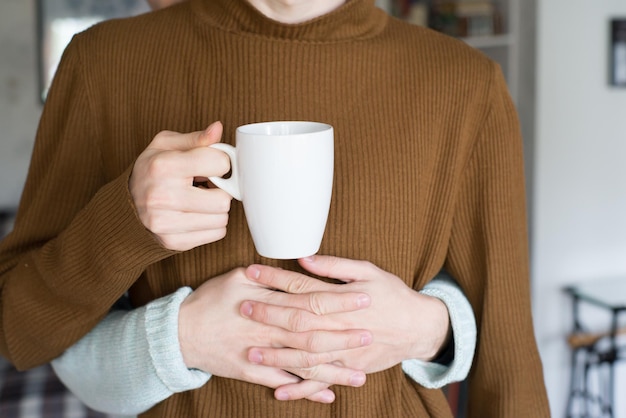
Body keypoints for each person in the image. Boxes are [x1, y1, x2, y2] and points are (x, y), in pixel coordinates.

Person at [0, 1, 550, 417]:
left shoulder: (466, 83)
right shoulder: (105, 62)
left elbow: (509, 355)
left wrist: (431, 329)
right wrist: (129, 228)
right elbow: (19, 329)